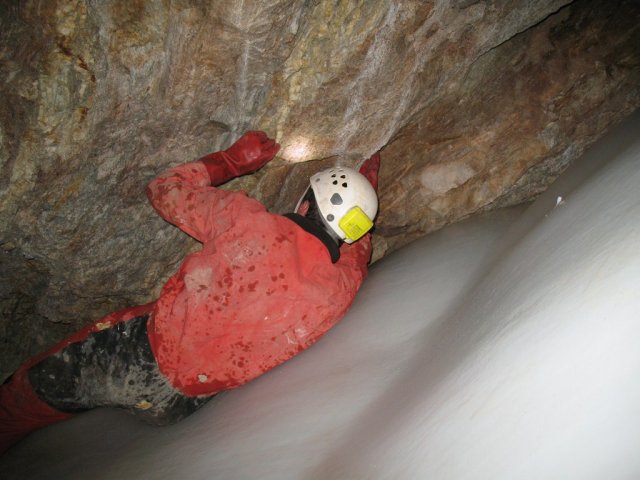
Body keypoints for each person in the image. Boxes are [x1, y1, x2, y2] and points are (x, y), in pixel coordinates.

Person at [0, 131, 380, 455]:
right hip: (183, 404)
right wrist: (367, 195)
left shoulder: (250, 223)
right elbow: (357, 257)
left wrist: (231, 162)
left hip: (131, 358)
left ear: (306, 202)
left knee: (22, 402)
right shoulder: (338, 291)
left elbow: (164, 188)